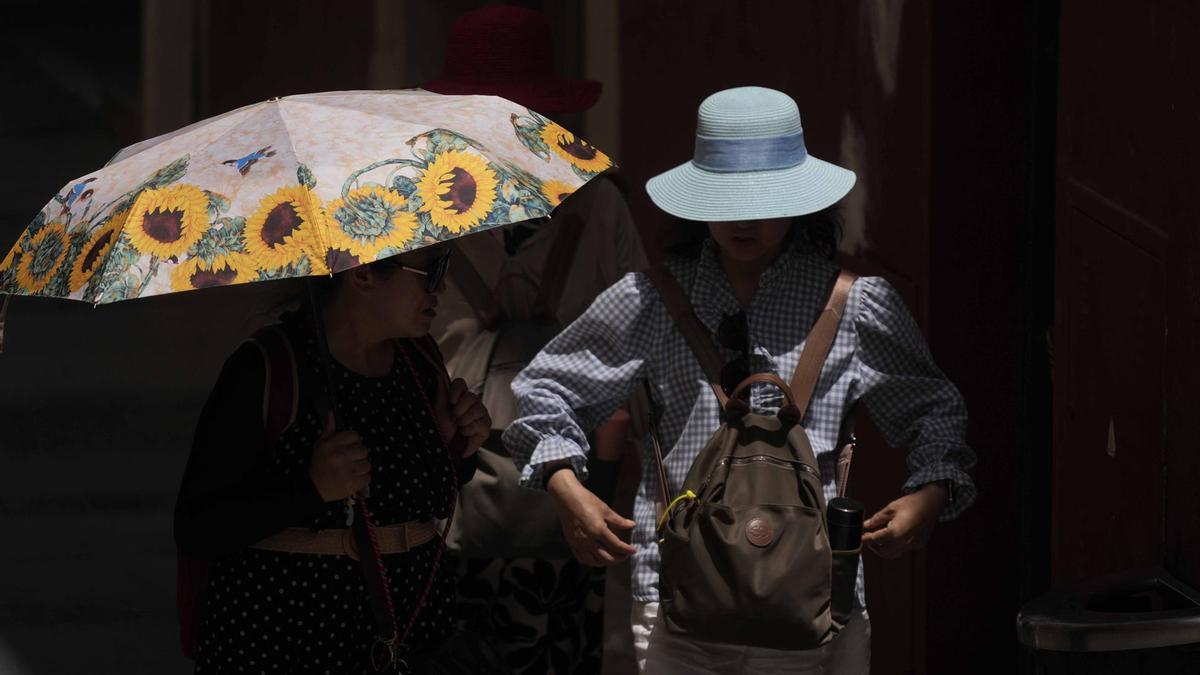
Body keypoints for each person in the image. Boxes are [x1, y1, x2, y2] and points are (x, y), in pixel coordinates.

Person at [505, 86, 978, 674]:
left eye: (764, 198)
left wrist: (929, 494)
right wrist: (565, 486)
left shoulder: (857, 307)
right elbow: (545, 389)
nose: (744, 217)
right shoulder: (648, 302)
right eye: (725, 198)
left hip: (819, 602)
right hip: (678, 604)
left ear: (800, 201)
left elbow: (935, 410)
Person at [422, 5, 647, 673]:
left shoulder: (598, 205)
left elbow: (638, 346)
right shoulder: (426, 210)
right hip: (459, 486)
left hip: (556, 492)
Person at [175, 245, 490, 674]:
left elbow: (420, 498)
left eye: (444, 268)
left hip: (412, 636)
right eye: (430, 271)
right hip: (288, 642)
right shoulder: (267, 368)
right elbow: (198, 528)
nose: (441, 287)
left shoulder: (421, 360)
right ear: (361, 274)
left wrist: (459, 447)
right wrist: (311, 489)